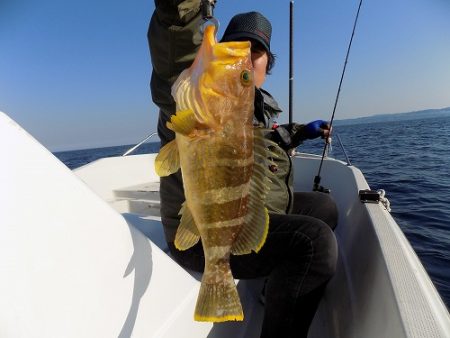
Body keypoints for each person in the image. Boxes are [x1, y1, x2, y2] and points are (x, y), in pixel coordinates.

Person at [148, 1, 338, 337]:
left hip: (246, 214)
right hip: (204, 234)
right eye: (238, 46)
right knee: (315, 242)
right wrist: (190, 10)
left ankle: (274, 285)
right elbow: (176, 54)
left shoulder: (257, 105)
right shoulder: (193, 99)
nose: (246, 57)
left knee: (325, 207)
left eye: (257, 51)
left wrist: (300, 131)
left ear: (268, 63)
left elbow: (265, 136)